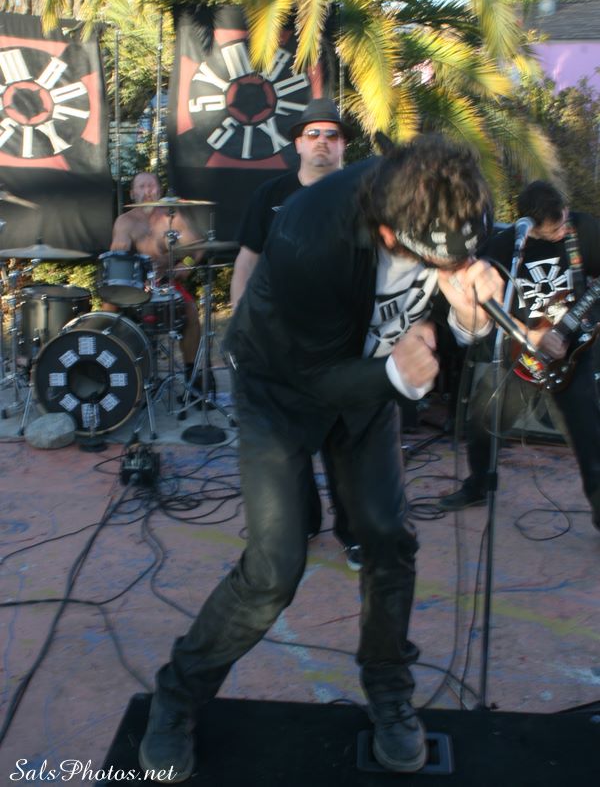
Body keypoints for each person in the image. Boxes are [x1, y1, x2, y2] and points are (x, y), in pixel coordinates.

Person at [138, 134, 502, 781]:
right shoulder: (310, 231)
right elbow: (316, 377)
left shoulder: (458, 205)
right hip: (281, 384)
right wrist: (397, 373)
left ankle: (388, 689)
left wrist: (468, 319)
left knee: (388, 537)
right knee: (274, 569)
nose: (442, 269)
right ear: (387, 233)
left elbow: (449, 325)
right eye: (429, 261)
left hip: (370, 382)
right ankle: (177, 695)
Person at [230, 97, 360, 564]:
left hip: (344, 345)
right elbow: (247, 261)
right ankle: (302, 523)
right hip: (279, 343)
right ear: (298, 144)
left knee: (345, 445)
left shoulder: (363, 195)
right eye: (313, 134)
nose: (322, 142)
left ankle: (354, 533)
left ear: (343, 146)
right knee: (288, 444)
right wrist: (241, 326)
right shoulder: (271, 195)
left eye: (332, 135)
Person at [438, 179, 600, 531]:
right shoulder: (504, 246)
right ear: (529, 226)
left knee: (589, 435)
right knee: (482, 420)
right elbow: (487, 303)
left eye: (563, 219)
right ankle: (478, 485)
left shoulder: (583, 230)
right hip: (520, 353)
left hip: (573, 353)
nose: (562, 230)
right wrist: (530, 336)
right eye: (552, 229)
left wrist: (582, 324)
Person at [107, 172, 203, 387]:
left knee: (190, 311)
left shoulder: (173, 217)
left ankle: (191, 375)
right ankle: (107, 365)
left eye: (151, 186)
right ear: (133, 193)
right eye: (141, 187)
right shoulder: (125, 221)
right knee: (108, 309)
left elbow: (198, 247)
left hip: (166, 281)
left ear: (159, 190)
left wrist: (186, 263)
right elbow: (117, 255)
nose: (147, 191)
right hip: (134, 282)